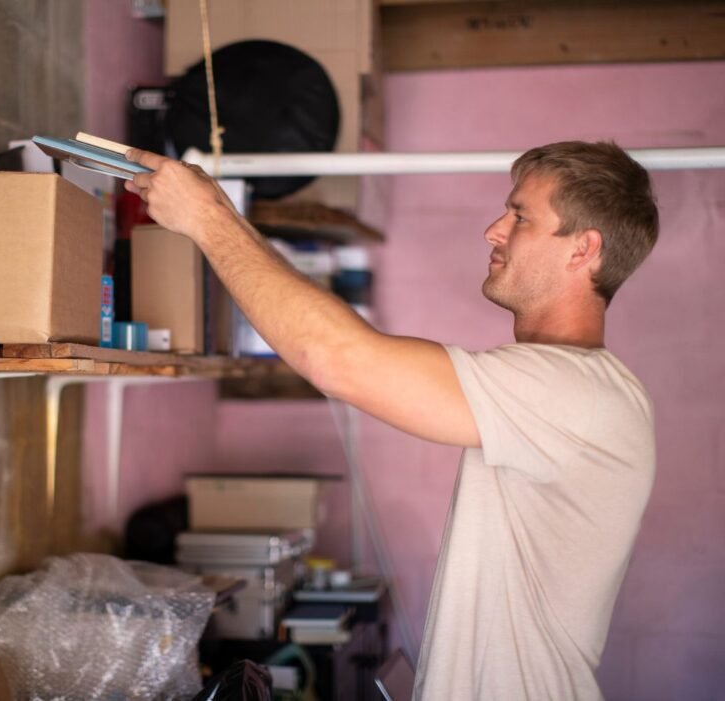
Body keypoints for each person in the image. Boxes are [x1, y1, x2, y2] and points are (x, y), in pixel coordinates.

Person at [125, 140, 659, 700]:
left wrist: (208, 220)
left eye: (520, 216)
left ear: (583, 250)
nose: (494, 230)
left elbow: (339, 358)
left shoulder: (573, 392)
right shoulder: (576, 388)